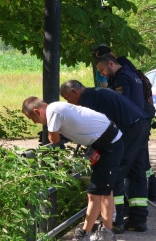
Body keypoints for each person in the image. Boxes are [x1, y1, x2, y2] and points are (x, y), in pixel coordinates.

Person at [22, 97, 123, 241]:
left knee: (97, 193)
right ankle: (104, 231)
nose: (35, 123)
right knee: (102, 191)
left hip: (109, 145)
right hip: (107, 142)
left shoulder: (53, 112)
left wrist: (57, 132)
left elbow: (54, 139)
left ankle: (89, 234)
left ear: (37, 111)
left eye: (33, 119)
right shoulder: (58, 107)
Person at [60, 81, 151, 234]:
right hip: (140, 124)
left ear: (75, 92)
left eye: (67, 98)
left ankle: (115, 221)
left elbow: (88, 125)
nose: (69, 103)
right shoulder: (98, 93)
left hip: (129, 129)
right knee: (137, 171)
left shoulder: (87, 99)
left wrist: (62, 135)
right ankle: (138, 220)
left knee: (114, 172)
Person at [93, 49, 156, 203]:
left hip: (130, 128)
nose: (102, 74)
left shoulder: (122, 79)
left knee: (119, 169)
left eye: (102, 70)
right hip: (141, 125)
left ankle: (117, 214)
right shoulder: (133, 75)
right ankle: (138, 216)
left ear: (111, 63)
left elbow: (122, 105)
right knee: (140, 167)